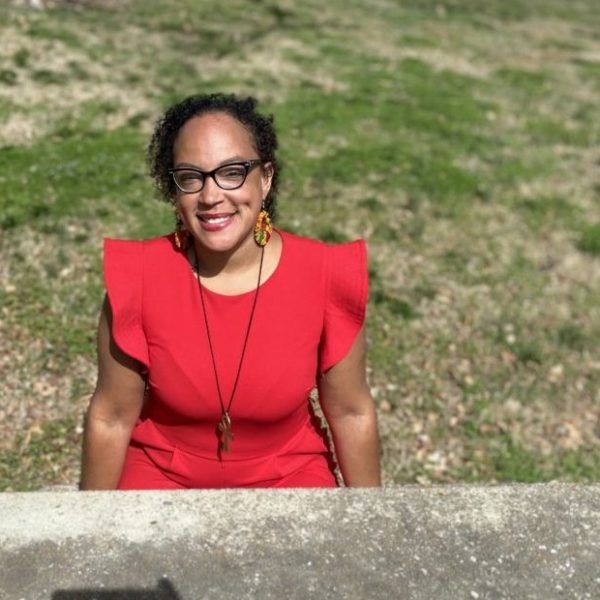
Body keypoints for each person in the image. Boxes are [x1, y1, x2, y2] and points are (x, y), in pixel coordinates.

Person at [80, 93, 381, 489]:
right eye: (191, 177)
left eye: (232, 172)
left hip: (288, 476)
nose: (210, 196)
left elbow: (351, 413)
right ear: (174, 190)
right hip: (160, 477)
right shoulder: (138, 277)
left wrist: (373, 526)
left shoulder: (325, 275)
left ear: (266, 177)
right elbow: (111, 416)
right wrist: (90, 534)